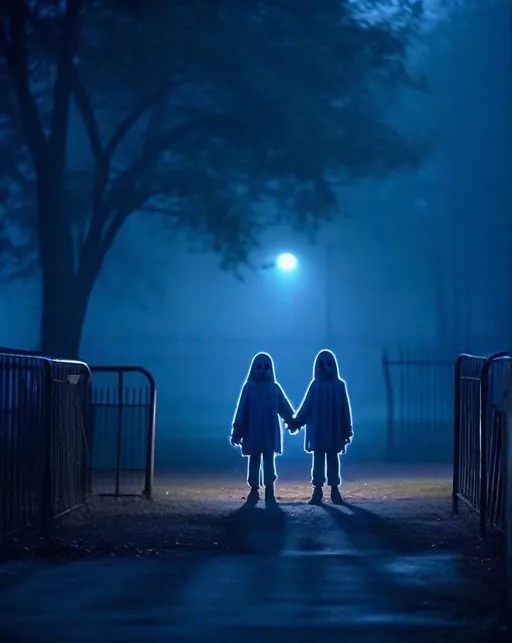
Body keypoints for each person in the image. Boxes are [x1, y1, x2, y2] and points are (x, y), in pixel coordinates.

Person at [230, 352, 295, 505]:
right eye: (259, 367)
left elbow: (283, 407)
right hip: (255, 432)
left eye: (266, 367)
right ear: (254, 368)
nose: (263, 370)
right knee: (255, 460)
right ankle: (254, 489)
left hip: (268, 432)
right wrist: (237, 431)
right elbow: (242, 410)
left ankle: (269, 488)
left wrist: (292, 421)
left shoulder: (273, 388)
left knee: (267, 461)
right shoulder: (249, 388)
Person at [290, 349, 353, 505]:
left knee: (331, 460)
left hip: (331, 431)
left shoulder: (339, 386)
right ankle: (318, 489)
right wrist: (297, 421)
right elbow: (307, 407)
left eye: (329, 364)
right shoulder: (316, 386)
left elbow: (344, 409)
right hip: (321, 432)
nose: (325, 368)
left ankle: (333, 489)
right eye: (322, 364)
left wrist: (346, 427)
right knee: (320, 461)